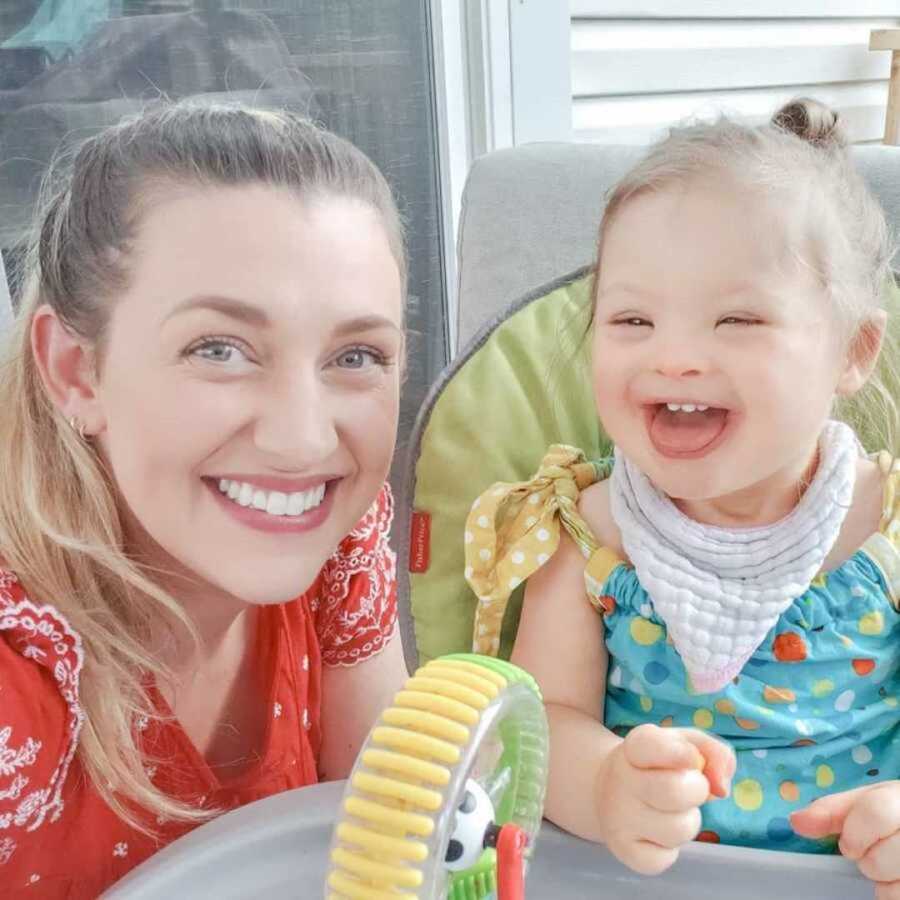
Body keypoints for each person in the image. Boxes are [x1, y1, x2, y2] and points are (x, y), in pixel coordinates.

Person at [464, 99, 900, 894]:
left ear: (852, 352)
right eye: (633, 318)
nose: (676, 356)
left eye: (736, 319)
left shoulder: (890, 527)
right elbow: (541, 720)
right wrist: (603, 789)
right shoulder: (588, 531)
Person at [0, 101, 408, 895]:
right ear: (77, 372)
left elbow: (390, 837)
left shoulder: (339, 541)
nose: (304, 441)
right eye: (218, 349)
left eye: (356, 354)